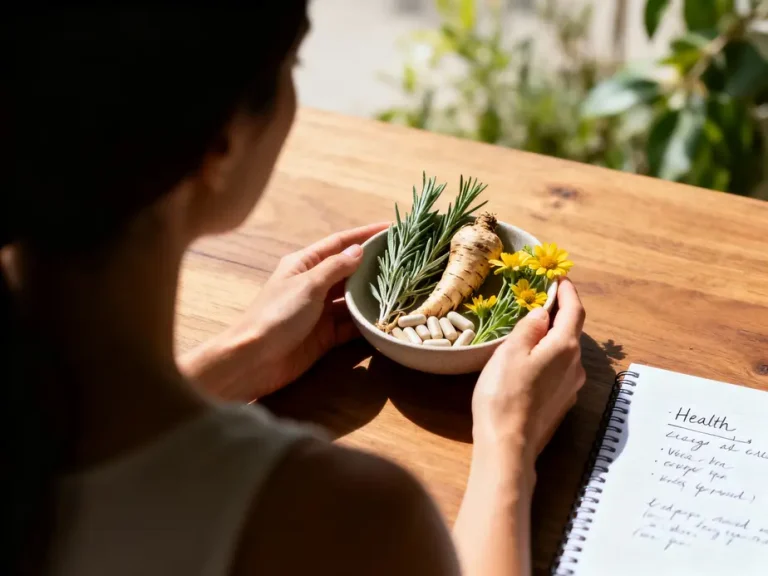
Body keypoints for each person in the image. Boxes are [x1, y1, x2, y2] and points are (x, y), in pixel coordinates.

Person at [3, 4, 586, 576]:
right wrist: (508, 443)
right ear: (221, 146)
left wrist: (238, 356)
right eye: (294, 63)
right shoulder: (344, 519)